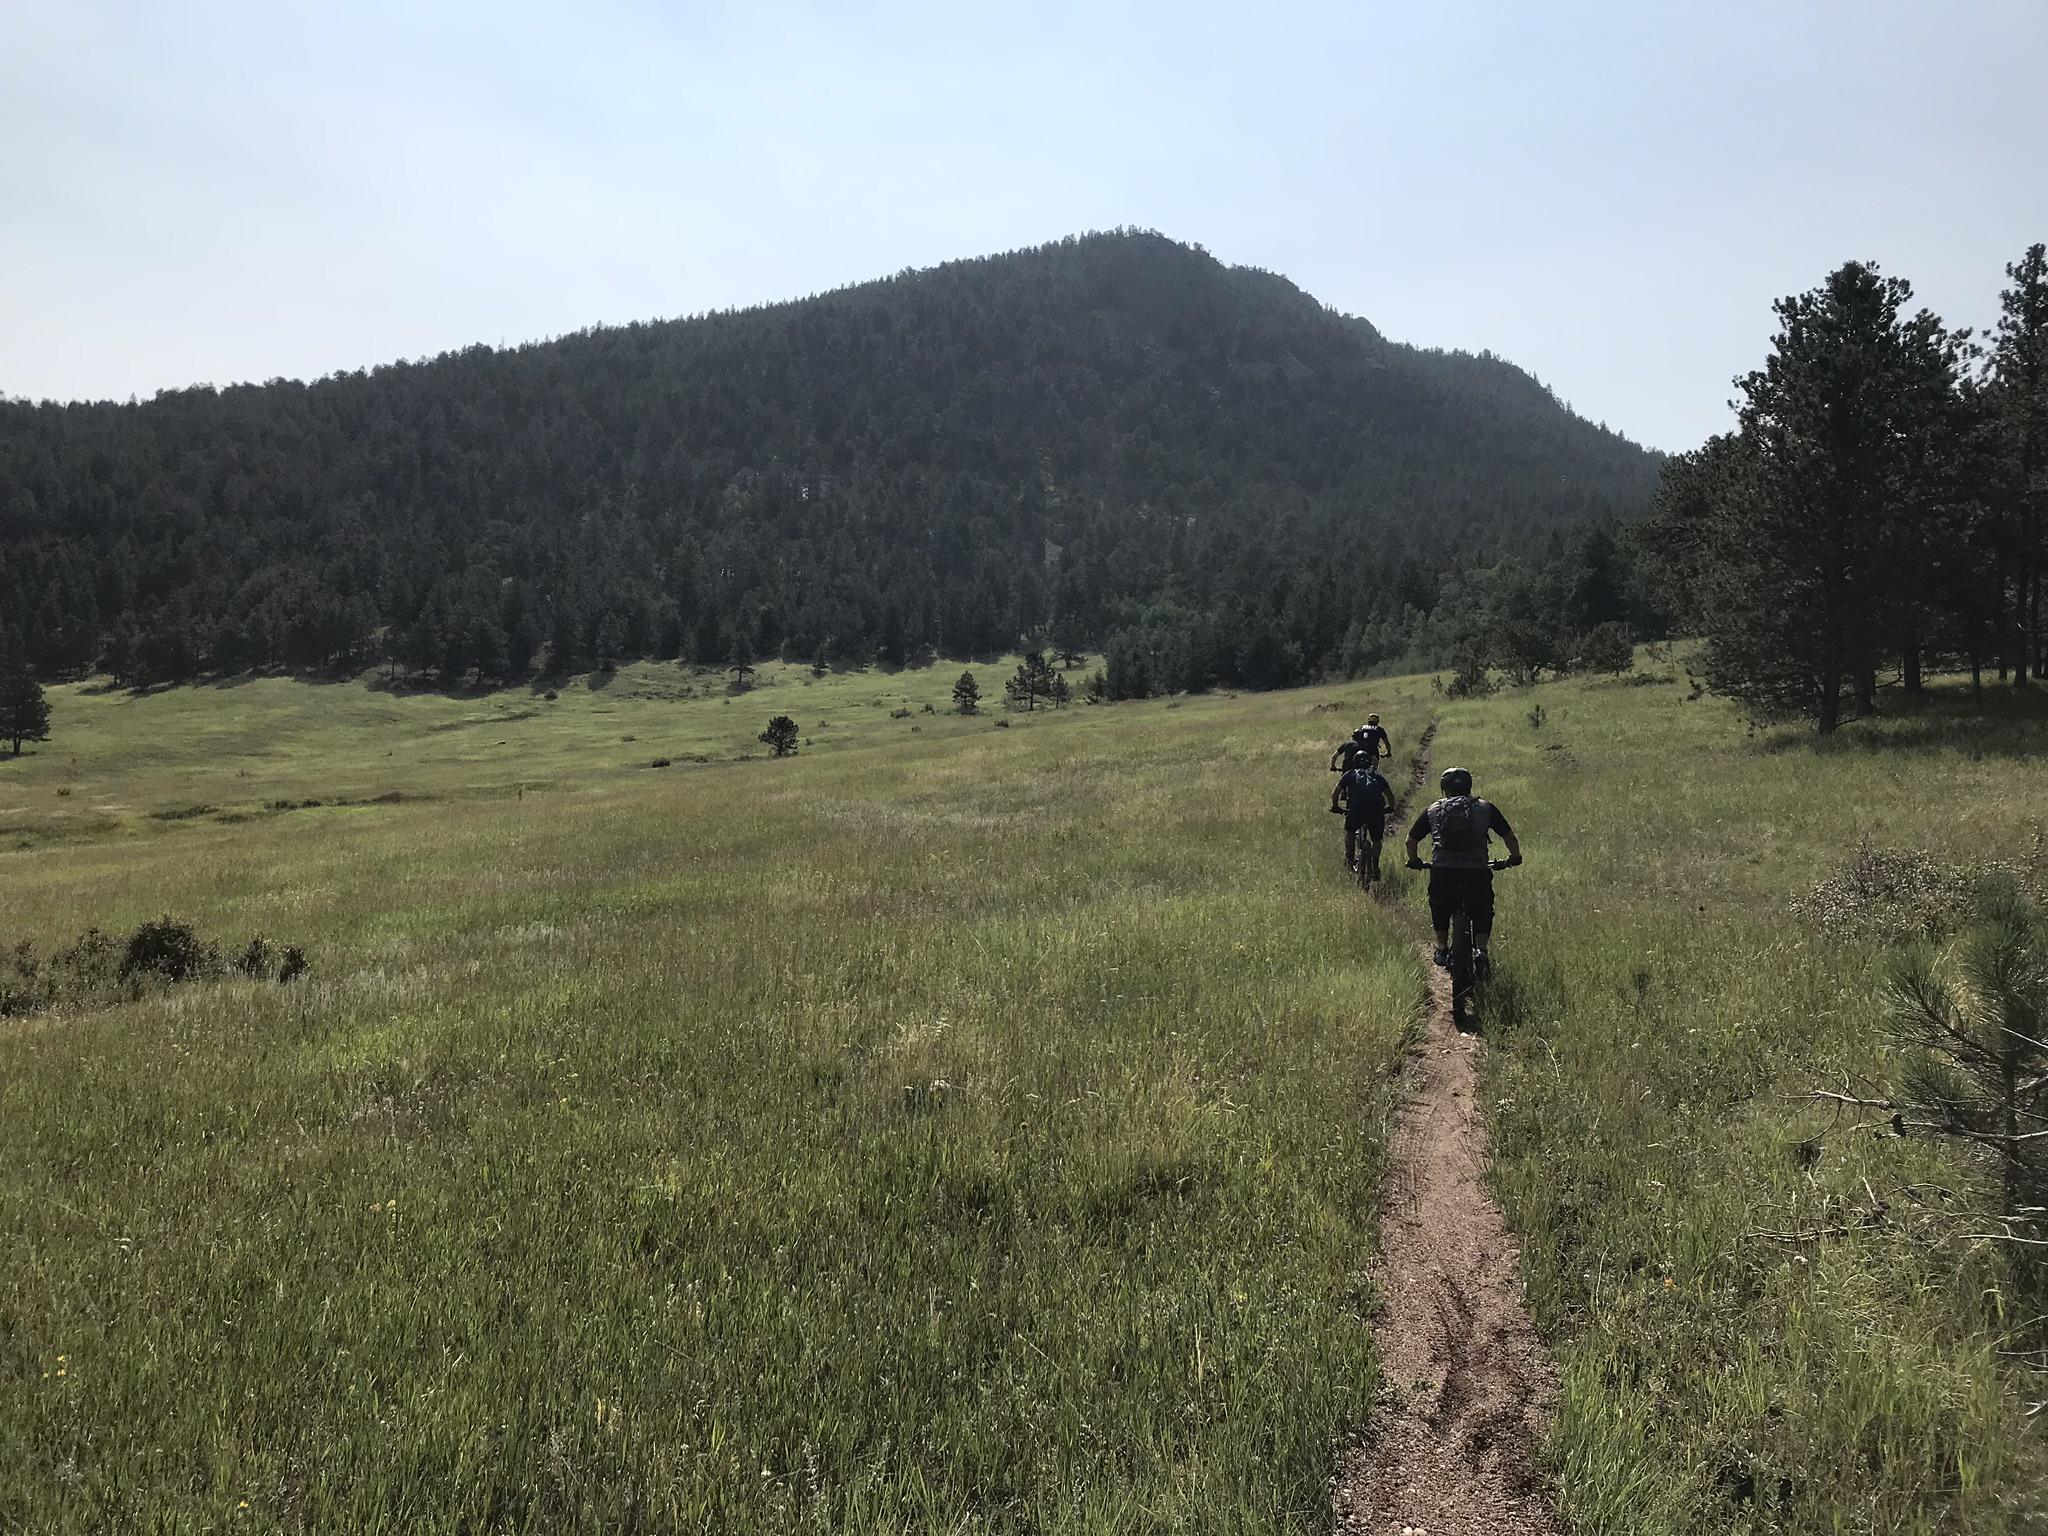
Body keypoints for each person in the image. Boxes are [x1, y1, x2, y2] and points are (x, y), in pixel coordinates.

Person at [1404, 766, 1522, 968]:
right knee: (1483, 908)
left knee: (1439, 905)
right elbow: (1509, 837)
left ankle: (1441, 948)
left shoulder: (1433, 809)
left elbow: (1410, 840)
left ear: (1444, 788)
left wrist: (1415, 861)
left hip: (1443, 870)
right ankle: (1482, 951)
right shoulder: (1486, 808)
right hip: (1477, 870)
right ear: (1469, 786)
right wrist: (1514, 857)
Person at [1330, 756, 1394, 876]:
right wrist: (1390, 807)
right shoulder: (1377, 776)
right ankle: (1375, 864)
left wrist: (1335, 806)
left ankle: (1349, 859)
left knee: (1350, 832)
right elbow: (1390, 795)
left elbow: (1335, 793)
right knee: (1376, 839)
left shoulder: (1350, 774)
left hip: (1357, 809)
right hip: (1376, 810)